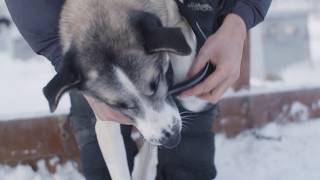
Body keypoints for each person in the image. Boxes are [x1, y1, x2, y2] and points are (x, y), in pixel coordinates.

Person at [5, 0, 271, 179]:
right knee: (103, 165)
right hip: (88, 32)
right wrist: (67, 60)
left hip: (187, 17)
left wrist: (238, 19)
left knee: (190, 163)